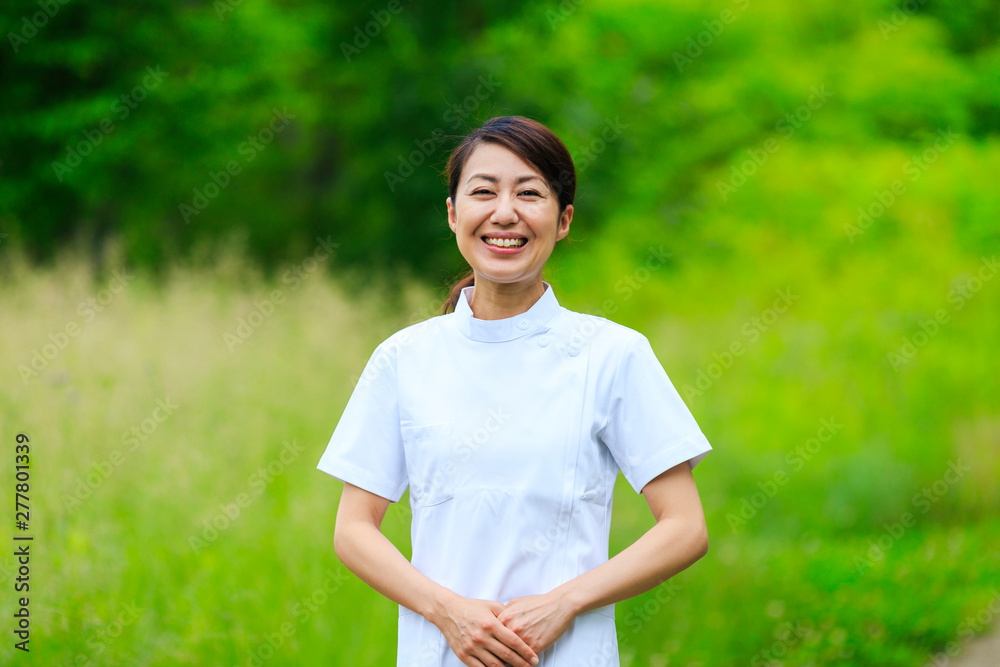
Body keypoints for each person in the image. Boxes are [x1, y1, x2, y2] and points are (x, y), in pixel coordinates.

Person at [318, 115, 712, 667]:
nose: (505, 213)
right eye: (484, 192)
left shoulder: (611, 354)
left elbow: (685, 527)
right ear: (453, 214)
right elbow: (354, 530)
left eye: (529, 193)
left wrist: (564, 602)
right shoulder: (404, 358)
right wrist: (447, 611)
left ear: (564, 219)